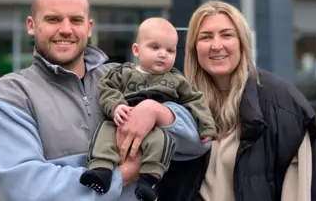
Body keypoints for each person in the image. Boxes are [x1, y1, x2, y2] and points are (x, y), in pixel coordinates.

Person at [0, 0, 209, 201]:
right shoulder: (9, 95)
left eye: (76, 20)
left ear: (89, 28)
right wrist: (125, 173)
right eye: (53, 19)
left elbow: (199, 143)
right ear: (31, 25)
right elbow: (24, 189)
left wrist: (157, 112)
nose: (66, 29)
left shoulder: (124, 76)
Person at [157, 0, 316, 201]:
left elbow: (301, 192)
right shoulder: (176, 103)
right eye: (205, 37)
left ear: (242, 42)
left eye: (227, 35)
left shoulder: (284, 105)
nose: (216, 45)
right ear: (194, 47)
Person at [80, 17, 217, 201]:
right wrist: (116, 106)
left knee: (162, 141)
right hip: (124, 118)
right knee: (105, 130)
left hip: (155, 128)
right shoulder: (123, 72)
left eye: (170, 50)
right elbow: (107, 88)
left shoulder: (177, 79)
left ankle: (149, 180)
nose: (163, 54)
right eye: (155, 48)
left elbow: (195, 99)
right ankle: (100, 169)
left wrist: (206, 126)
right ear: (136, 50)